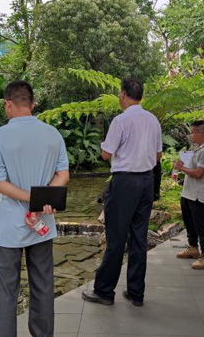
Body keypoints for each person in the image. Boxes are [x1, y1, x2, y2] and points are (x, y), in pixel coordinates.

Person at [0, 81, 70, 337]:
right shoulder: (53, 134)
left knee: (7, 292)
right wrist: (39, 201)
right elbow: (63, 175)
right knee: (43, 286)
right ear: (32, 104)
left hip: (9, 227)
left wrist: (29, 198)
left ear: (8, 104)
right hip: (42, 224)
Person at [82, 79, 162, 307]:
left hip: (125, 182)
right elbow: (158, 156)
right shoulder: (153, 120)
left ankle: (105, 291)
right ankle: (136, 292)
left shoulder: (121, 120)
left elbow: (106, 154)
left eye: (120, 93)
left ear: (124, 94)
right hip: (146, 181)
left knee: (116, 237)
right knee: (139, 238)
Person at [174, 120, 204, 269]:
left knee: (201, 225)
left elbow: (199, 173)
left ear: (200, 134)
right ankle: (193, 247)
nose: (190, 135)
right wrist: (182, 164)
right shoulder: (198, 147)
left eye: (192, 132)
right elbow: (192, 167)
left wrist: (181, 168)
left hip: (199, 193)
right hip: (188, 192)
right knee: (189, 222)